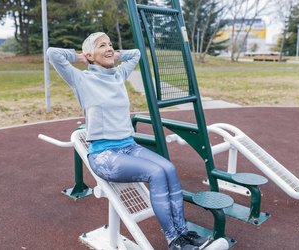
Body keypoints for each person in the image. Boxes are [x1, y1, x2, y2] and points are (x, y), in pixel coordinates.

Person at [47, 32, 211, 250]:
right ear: (89, 54)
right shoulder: (81, 79)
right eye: (102, 45)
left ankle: (183, 233)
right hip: (105, 155)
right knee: (156, 173)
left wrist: (115, 54)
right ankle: (174, 241)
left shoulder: (118, 75)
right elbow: (53, 54)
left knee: (169, 169)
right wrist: (80, 57)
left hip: (129, 146)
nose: (109, 49)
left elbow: (136, 54)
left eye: (111, 45)